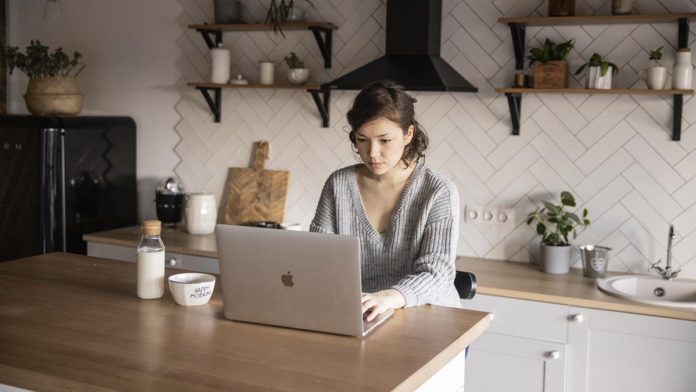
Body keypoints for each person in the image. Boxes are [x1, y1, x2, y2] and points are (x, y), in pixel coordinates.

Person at [309, 80, 461, 322]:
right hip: (360, 316)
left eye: (384, 140)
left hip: (429, 321)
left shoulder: (437, 191)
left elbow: (437, 274)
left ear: (408, 134)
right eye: (362, 140)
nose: (372, 153)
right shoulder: (338, 184)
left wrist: (389, 297)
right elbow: (318, 258)